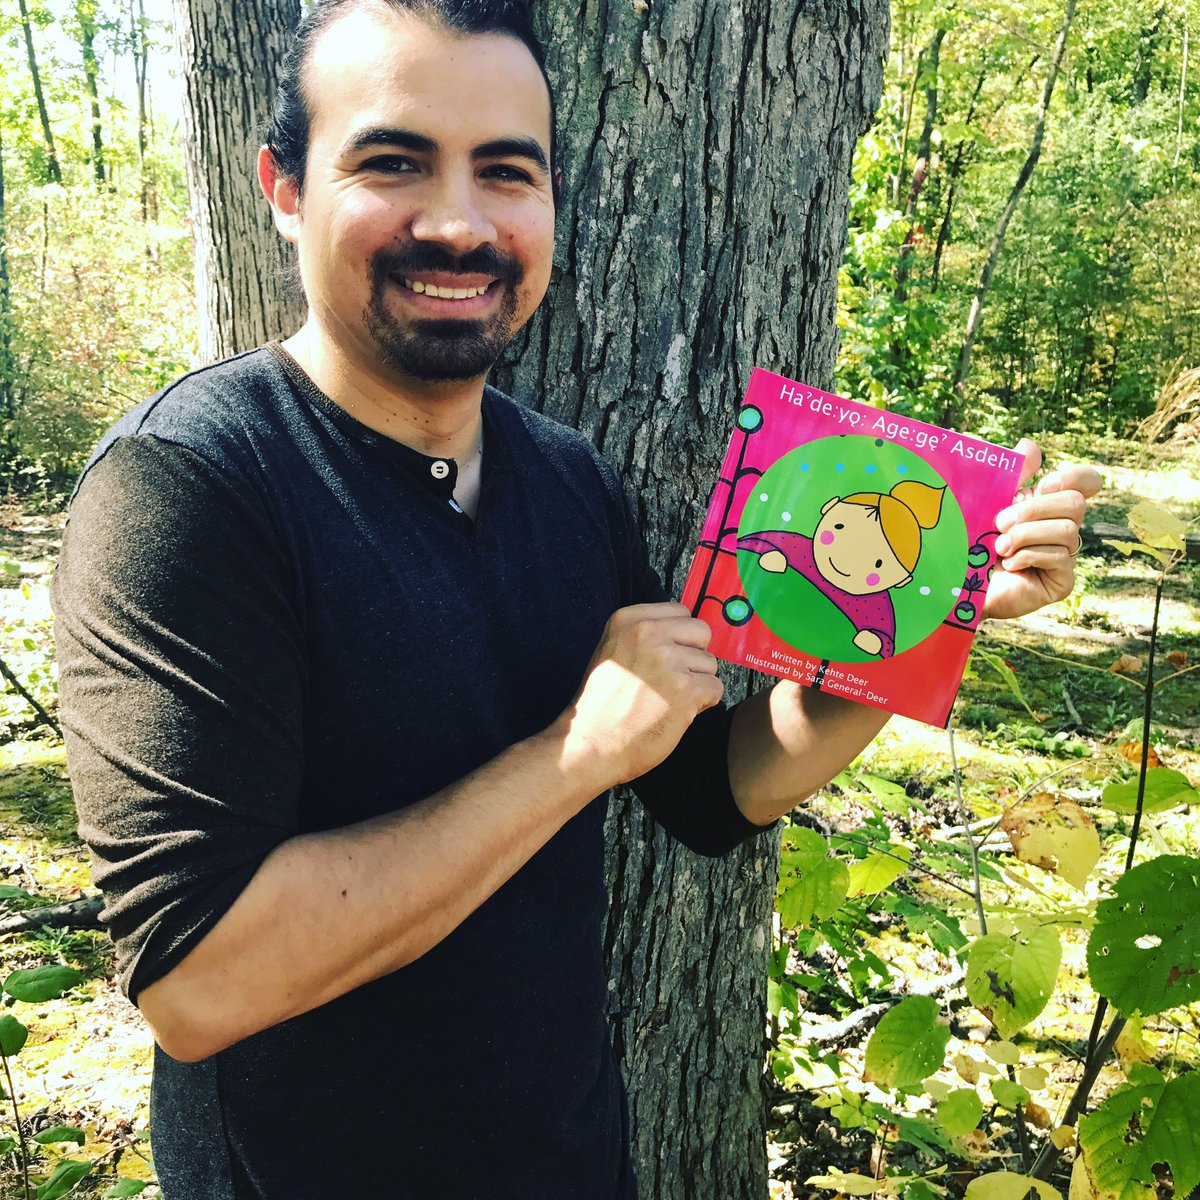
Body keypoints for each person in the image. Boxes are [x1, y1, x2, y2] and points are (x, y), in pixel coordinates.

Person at [51, 2, 1100, 1197]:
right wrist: (572, 755)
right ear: (284, 188)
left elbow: (716, 787)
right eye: (393, 162)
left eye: (507, 173)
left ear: (550, 209)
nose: (458, 222)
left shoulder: (565, 475)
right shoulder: (189, 486)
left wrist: (930, 612)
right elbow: (199, 985)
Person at [739, 479, 948, 658]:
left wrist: (875, 641)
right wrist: (769, 555)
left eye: (878, 564)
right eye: (840, 529)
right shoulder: (799, 548)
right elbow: (750, 544)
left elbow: (885, 642)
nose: (848, 559)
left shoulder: (876, 606)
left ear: (902, 581)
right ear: (829, 507)